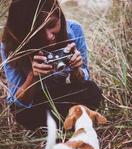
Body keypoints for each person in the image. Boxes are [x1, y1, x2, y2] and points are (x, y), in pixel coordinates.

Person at [1, 0, 102, 130]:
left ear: (59, 15)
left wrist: (76, 69)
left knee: (91, 90)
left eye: (52, 24)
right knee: (22, 113)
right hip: (39, 100)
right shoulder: (10, 45)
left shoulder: (74, 30)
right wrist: (33, 76)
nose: (48, 36)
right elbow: (19, 102)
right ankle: (73, 119)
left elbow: (83, 80)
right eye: (38, 31)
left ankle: (60, 123)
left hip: (65, 93)